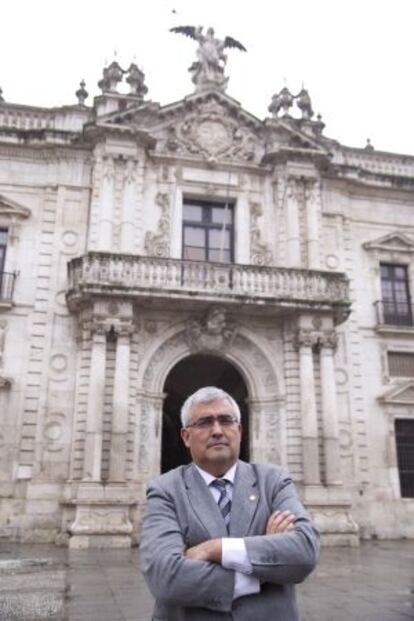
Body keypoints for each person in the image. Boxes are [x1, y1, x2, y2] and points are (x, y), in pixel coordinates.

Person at [140, 386, 319, 620]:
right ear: (186, 436)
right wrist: (264, 567)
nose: (217, 431)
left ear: (239, 430)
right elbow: (166, 577)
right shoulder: (164, 490)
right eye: (204, 422)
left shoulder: (274, 481)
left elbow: (304, 550)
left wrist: (214, 549)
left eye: (225, 420)